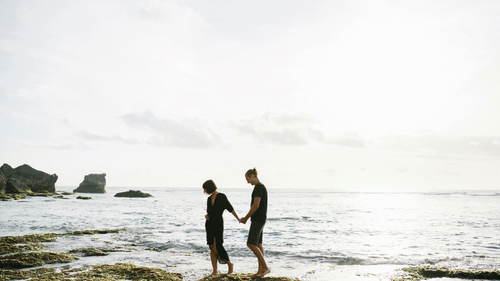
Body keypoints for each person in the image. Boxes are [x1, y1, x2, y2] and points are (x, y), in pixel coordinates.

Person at [203, 179, 240, 276]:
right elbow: (210, 212)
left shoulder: (222, 197)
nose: (204, 191)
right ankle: (214, 270)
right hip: (209, 224)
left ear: (210, 187)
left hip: (218, 224)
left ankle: (229, 264)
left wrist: (238, 219)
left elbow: (230, 208)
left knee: (217, 246)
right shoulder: (208, 199)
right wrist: (207, 215)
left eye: (205, 189)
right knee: (211, 247)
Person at [239, 168, 270, 278]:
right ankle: (261, 271)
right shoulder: (261, 187)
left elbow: (256, 205)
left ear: (253, 176)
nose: (247, 182)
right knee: (258, 244)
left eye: (248, 179)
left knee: (250, 244)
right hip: (261, 219)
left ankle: (265, 268)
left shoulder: (258, 188)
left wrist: (246, 218)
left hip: (257, 219)